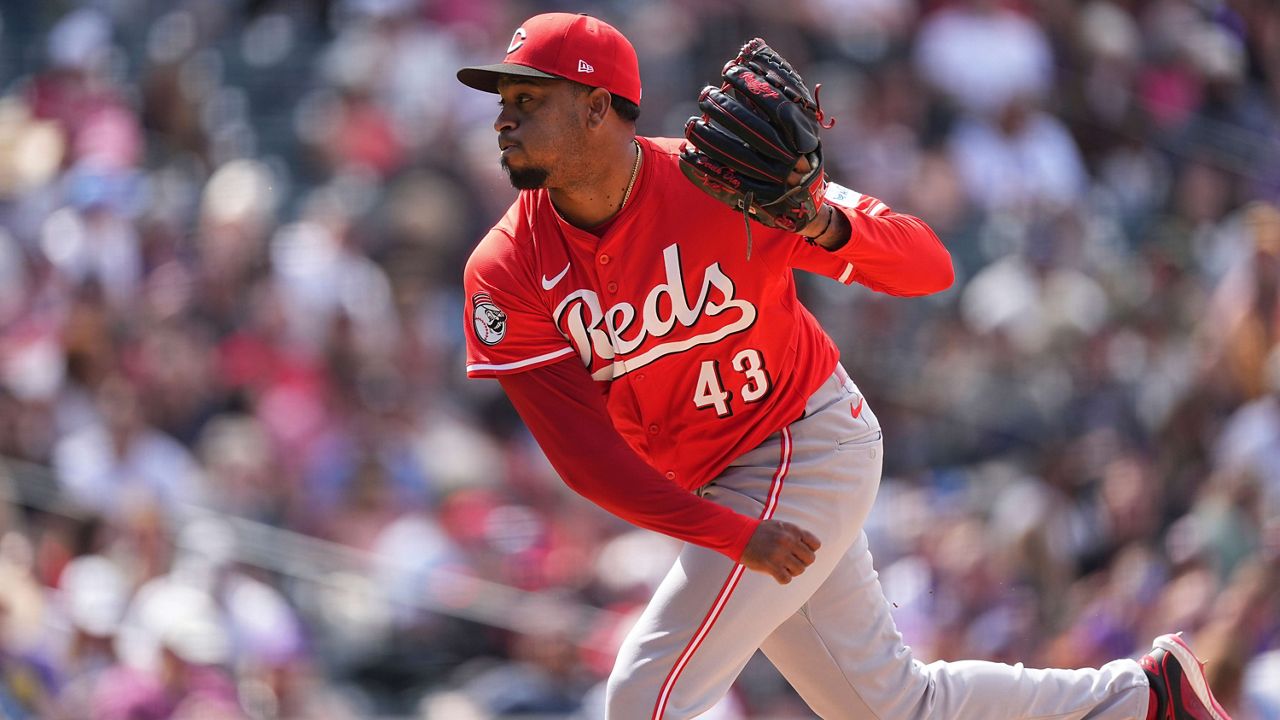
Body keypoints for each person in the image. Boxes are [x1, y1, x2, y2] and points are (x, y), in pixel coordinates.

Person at [457, 12, 1233, 720]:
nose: (503, 116)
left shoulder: (719, 184)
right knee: (893, 709)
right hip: (725, 492)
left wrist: (819, 219)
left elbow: (928, 263)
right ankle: (1145, 701)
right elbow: (586, 459)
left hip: (804, 440)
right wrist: (728, 532)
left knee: (643, 700)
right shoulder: (506, 266)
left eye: (528, 99)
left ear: (598, 108)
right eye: (503, 100)